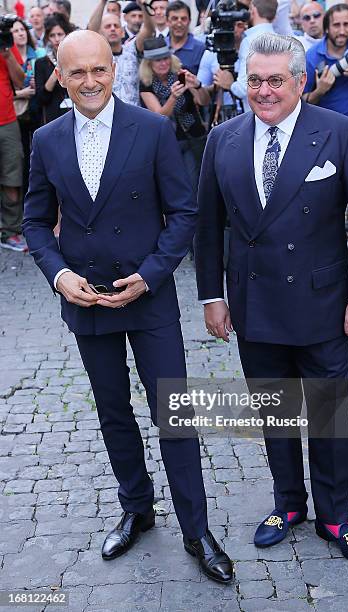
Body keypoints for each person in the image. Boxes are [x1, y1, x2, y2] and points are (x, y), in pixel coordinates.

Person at [23, 29, 233, 586]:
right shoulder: (46, 139)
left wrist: (151, 275)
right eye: (77, 73)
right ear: (61, 77)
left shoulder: (153, 129)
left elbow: (184, 214)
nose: (90, 82)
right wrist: (60, 275)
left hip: (149, 296)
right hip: (86, 300)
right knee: (114, 411)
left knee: (175, 415)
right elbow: (35, 223)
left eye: (99, 69)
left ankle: (196, 529)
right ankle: (137, 509)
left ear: (113, 67)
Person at [195, 32, 348, 566]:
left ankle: (334, 514)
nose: (264, 91)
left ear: (300, 82)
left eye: (276, 80)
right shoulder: (224, 139)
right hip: (254, 305)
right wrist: (212, 295)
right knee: (275, 413)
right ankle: (288, 505)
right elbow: (208, 227)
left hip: (324, 303)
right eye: (254, 80)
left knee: (329, 415)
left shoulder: (342, 134)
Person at [140, 36, 209, 195]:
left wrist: (197, 86)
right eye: (158, 60)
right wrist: (173, 97)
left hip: (193, 134)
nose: (163, 63)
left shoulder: (180, 73)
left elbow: (204, 101)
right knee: (174, 184)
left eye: (166, 58)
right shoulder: (146, 83)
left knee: (194, 183)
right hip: (168, 140)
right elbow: (160, 117)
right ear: (149, 63)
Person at [11, 18, 45, 194]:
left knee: (38, 156)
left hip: (36, 112)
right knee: (22, 158)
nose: (21, 33)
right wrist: (21, 93)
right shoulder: (7, 57)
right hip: (16, 116)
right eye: (16, 31)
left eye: (23, 29)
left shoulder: (39, 53)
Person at [0, 35, 26, 252]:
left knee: (12, 178)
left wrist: (6, 52)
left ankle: (10, 231)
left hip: (6, 121)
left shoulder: (6, 44)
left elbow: (19, 81)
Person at [34, 14, 74, 123]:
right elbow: (41, 98)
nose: (56, 39)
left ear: (67, 34)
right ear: (48, 38)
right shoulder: (41, 63)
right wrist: (57, 69)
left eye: (60, 34)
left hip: (76, 114)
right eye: (52, 35)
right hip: (53, 118)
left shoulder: (76, 59)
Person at [166, 0, 205, 75]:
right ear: (167, 21)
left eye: (183, 19)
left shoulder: (200, 49)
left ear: (189, 21)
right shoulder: (161, 46)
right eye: (175, 19)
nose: (179, 24)